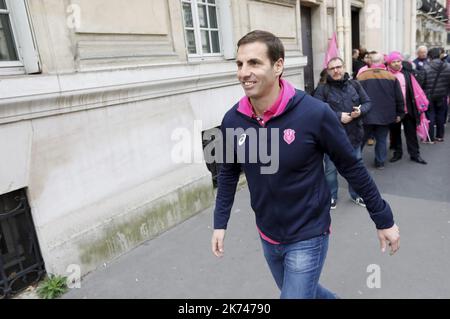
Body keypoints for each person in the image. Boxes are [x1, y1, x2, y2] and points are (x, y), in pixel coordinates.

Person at [211, 30, 400, 299]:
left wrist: (383, 218)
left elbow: (352, 166)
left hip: (308, 234)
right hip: (267, 233)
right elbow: (228, 173)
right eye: (239, 64)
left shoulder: (313, 113)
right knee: (305, 293)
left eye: (254, 63)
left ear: (278, 65)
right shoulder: (232, 119)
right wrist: (220, 223)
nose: (243, 72)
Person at [314, 57, 371, 209]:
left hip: (354, 136)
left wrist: (360, 111)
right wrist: (339, 116)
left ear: (344, 67)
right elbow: (317, 112)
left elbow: (367, 103)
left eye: (338, 67)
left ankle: (356, 195)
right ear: (328, 71)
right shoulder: (322, 89)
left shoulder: (355, 84)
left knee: (356, 169)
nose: (336, 70)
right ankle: (331, 196)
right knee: (330, 171)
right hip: (331, 139)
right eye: (332, 68)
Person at [357, 53, 405, 169]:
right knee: (382, 139)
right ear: (383, 61)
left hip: (366, 114)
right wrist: (400, 113)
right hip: (385, 114)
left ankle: (355, 161)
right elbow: (399, 97)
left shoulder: (361, 76)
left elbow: (355, 96)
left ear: (370, 62)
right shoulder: (391, 76)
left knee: (360, 140)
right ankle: (380, 162)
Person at [385, 51, 427, 164]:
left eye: (399, 61)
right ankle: (397, 153)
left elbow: (414, 89)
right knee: (395, 133)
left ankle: (415, 154)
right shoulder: (386, 75)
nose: (397, 63)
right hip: (394, 110)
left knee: (411, 133)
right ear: (389, 63)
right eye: (394, 62)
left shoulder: (406, 74)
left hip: (408, 108)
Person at [423, 48, 450, 142]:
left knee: (430, 115)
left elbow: (423, 82)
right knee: (441, 115)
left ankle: (430, 137)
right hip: (442, 95)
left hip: (429, 95)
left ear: (429, 57)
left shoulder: (426, 67)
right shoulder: (448, 66)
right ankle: (440, 136)